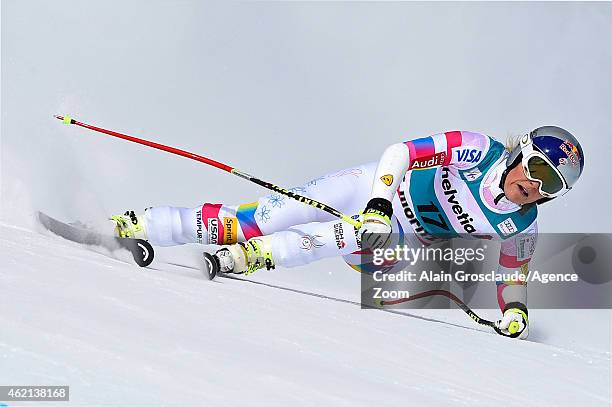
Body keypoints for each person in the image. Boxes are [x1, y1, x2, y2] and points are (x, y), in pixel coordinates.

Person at [111, 126, 584, 339]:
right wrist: (379, 200)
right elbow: (401, 152)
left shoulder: (522, 225)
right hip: (371, 188)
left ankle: (249, 258)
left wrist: (516, 310)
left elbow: (512, 274)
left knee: (361, 235)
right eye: (538, 168)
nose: (535, 186)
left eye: (552, 185)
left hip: (393, 245)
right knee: (259, 217)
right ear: (522, 154)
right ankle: (142, 225)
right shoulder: (479, 151)